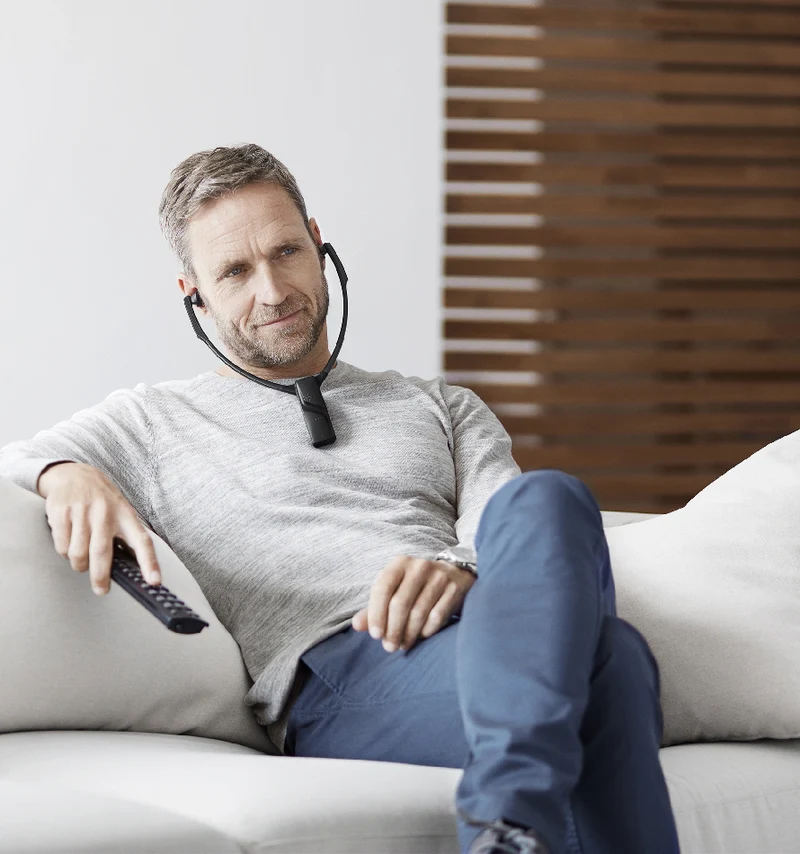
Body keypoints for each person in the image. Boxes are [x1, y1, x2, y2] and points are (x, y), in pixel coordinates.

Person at [0, 144, 680, 854]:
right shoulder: (149, 422)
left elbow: (506, 525)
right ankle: (511, 811)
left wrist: (460, 568)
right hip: (344, 676)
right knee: (611, 661)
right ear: (193, 292)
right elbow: (15, 458)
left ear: (319, 246)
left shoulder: (442, 406)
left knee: (553, 502)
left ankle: (510, 823)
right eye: (235, 271)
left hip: (492, 632)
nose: (272, 290)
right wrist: (64, 471)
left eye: (286, 252)